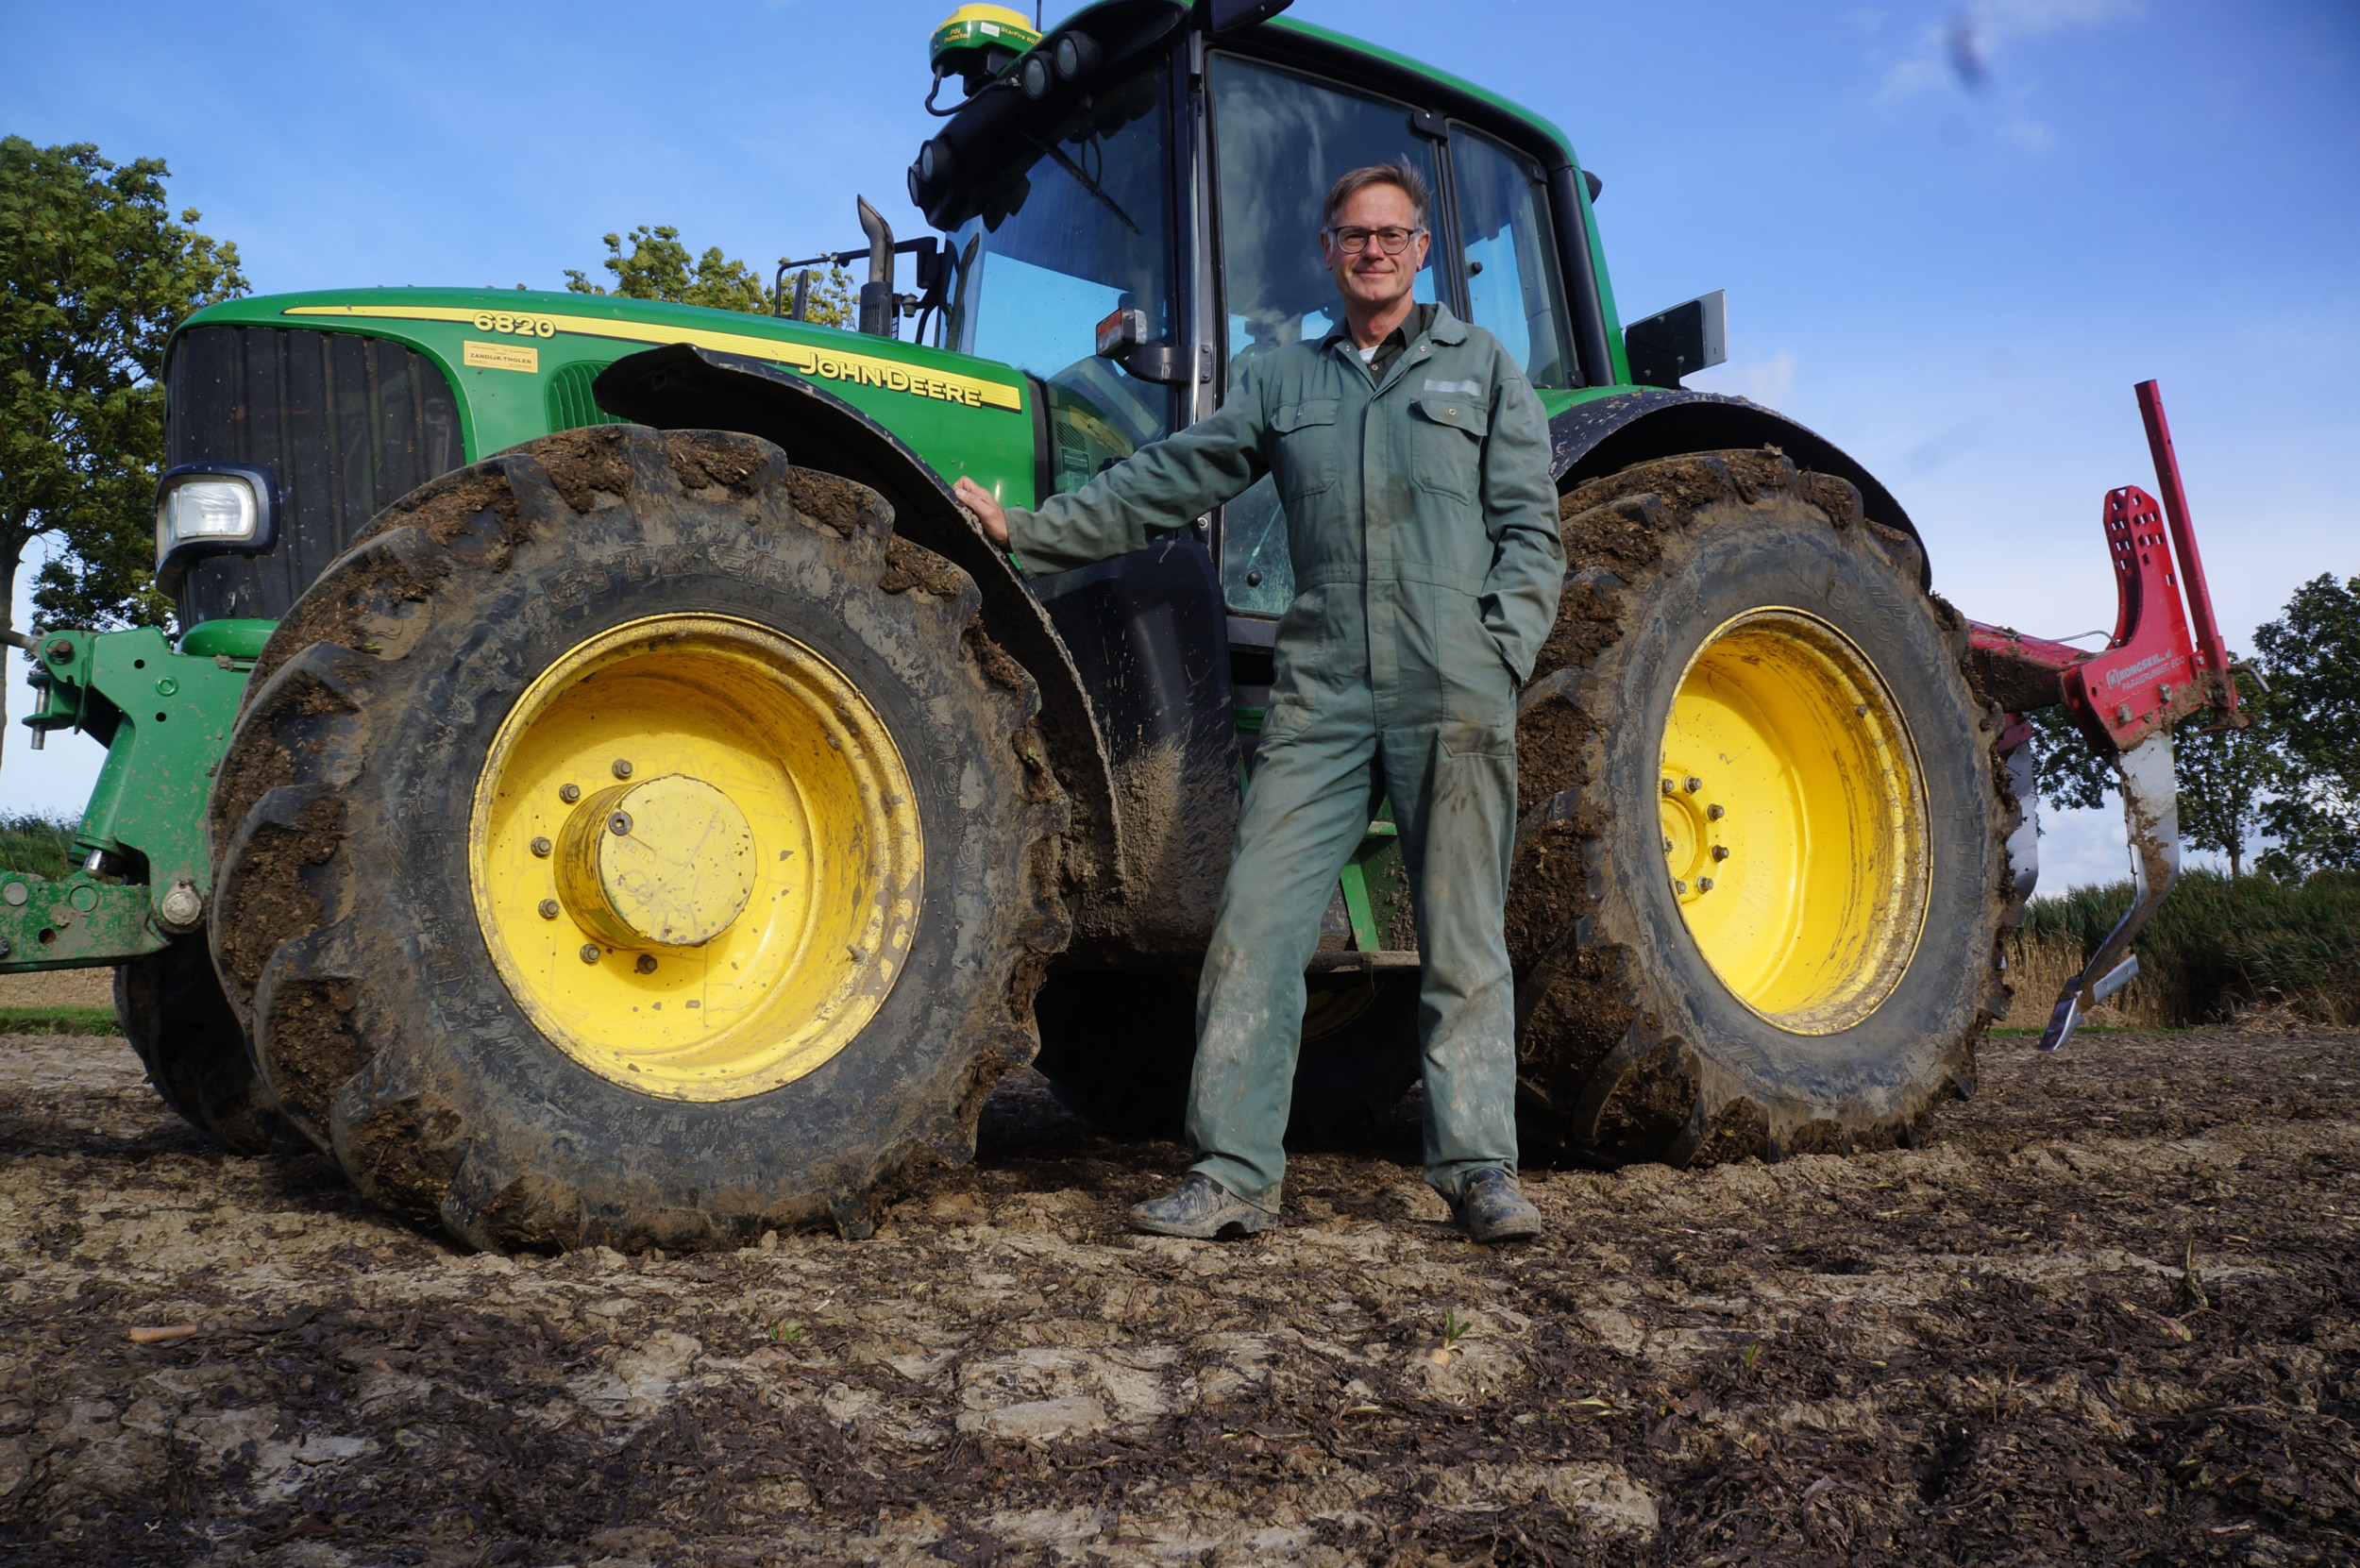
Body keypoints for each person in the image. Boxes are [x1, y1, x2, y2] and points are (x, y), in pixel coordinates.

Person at [955, 162, 1563, 1244]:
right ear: (1329, 251)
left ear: (1421, 249)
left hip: (1451, 688)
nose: (1372, 250)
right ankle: (1233, 1172)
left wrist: (1499, 655)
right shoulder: (1283, 380)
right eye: (1352, 235)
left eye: (1391, 233)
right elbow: (1168, 479)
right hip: (1321, 689)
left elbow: (1531, 531)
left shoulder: (1484, 370)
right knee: (1250, 926)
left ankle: (1479, 1170)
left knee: (1463, 936)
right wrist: (1030, 532)